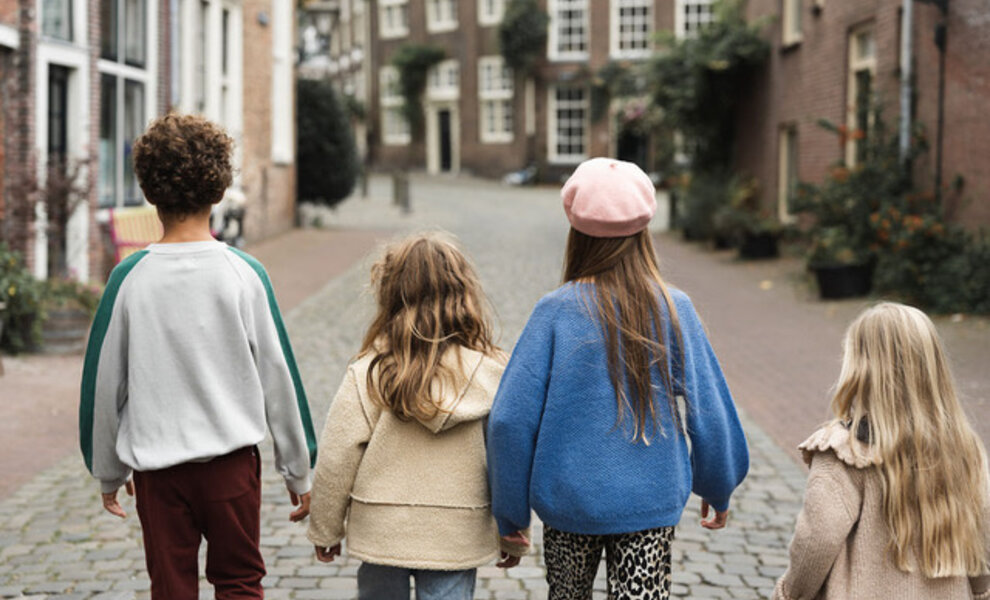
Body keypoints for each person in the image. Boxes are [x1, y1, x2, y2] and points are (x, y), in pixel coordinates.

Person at [487, 157, 749, 599]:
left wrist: (510, 514)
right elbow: (710, 406)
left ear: (577, 234)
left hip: (568, 502)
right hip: (648, 503)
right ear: (642, 233)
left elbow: (509, 421)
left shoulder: (554, 312)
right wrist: (717, 484)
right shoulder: (672, 307)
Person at [79, 114, 317, 600]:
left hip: (158, 472)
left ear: (148, 190)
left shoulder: (129, 279)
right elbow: (278, 376)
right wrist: (297, 467)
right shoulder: (244, 273)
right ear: (219, 189)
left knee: (170, 588)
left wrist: (108, 468)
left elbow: (104, 385)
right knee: (240, 581)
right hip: (230, 466)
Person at [307, 233, 529, 600]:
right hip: (455, 533)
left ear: (391, 294)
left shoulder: (369, 371)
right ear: (465, 294)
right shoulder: (493, 374)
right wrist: (513, 529)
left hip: (382, 530)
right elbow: (509, 456)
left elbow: (337, 456)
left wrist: (325, 528)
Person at [773, 302, 990, 599]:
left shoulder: (844, 452)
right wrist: (980, 591)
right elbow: (982, 535)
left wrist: (790, 594)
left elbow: (817, 540)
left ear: (859, 366)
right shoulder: (964, 451)